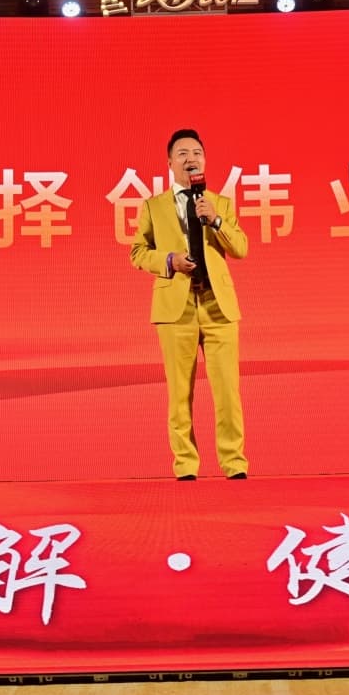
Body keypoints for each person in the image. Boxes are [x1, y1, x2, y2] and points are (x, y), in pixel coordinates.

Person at [129, 129, 249, 480]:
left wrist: (215, 220)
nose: (190, 159)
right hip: (175, 308)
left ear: (204, 161)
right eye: (182, 154)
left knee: (228, 391)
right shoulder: (153, 206)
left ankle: (234, 462)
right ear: (170, 163)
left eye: (196, 153)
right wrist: (169, 260)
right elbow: (137, 252)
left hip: (217, 305)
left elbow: (241, 248)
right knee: (179, 393)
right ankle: (185, 464)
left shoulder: (219, 203)